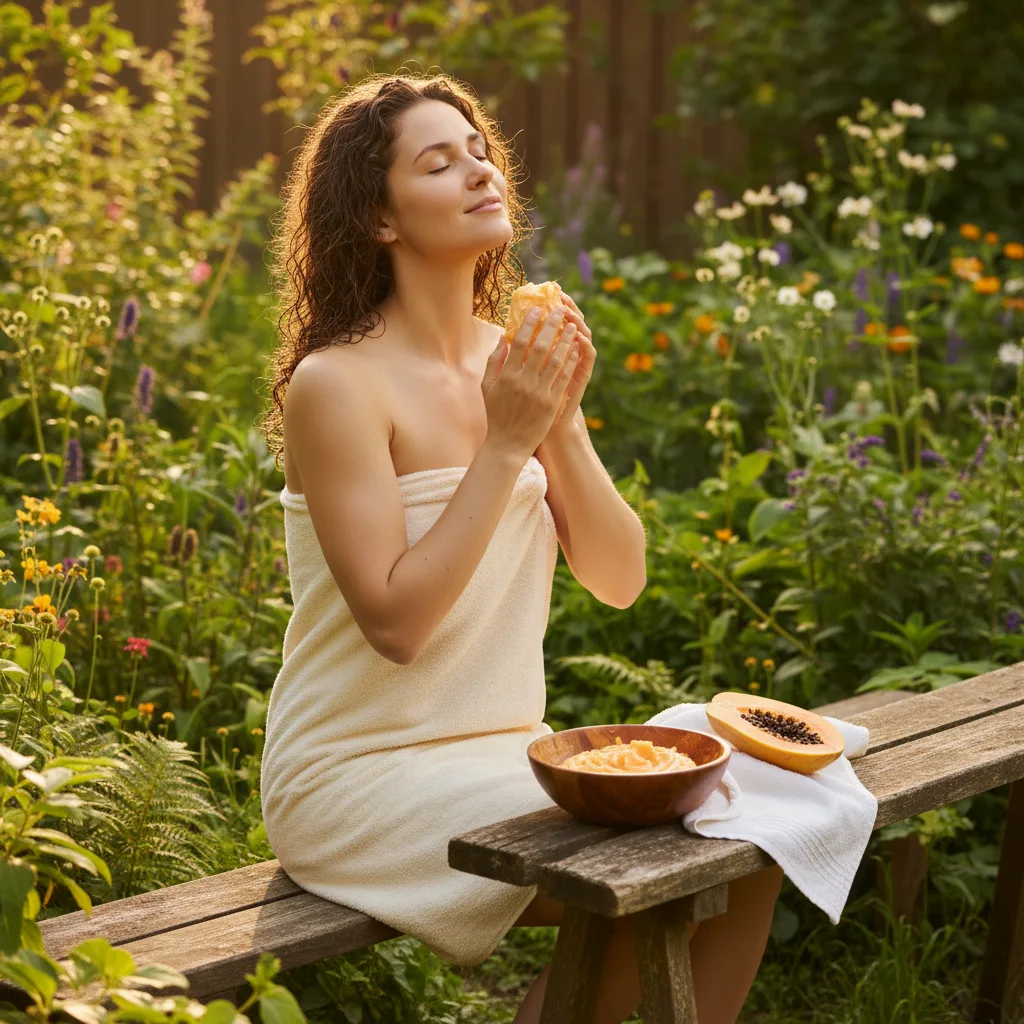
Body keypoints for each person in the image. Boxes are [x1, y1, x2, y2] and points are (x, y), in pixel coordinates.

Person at [257, 70, 782, 1024]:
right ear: (378, 219)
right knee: (661, 860)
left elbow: (620, 580)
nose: (478, 171)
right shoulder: (337, 387)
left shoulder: (514, 358)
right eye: (438, 162)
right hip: (358, 776)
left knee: (754, 852)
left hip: (508, 756)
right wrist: (505, 442)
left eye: (479, 151)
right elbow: (397, 624)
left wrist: (561, 425)